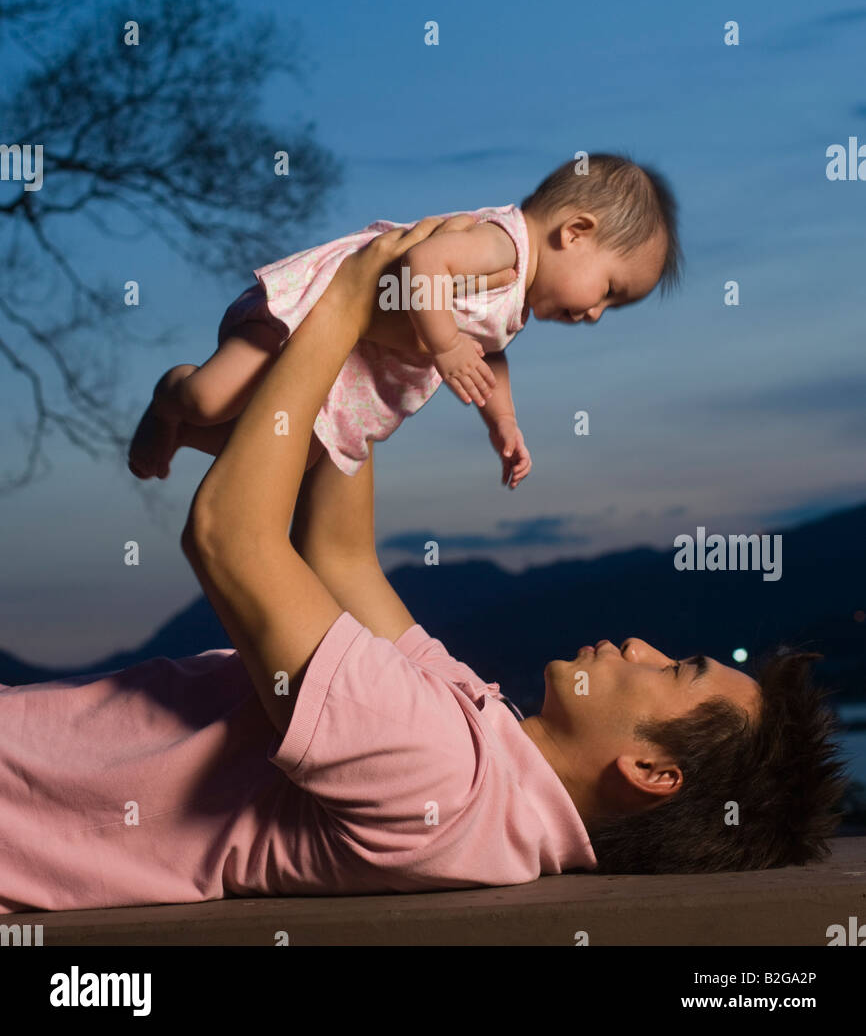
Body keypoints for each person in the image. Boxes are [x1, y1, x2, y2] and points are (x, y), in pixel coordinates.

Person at [0, 217, 846, 914]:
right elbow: (338, 558)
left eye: (679, 670)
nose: (641, 645)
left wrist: (346, 297)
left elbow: (228, 536)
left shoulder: (445, 770)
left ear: (652, 774)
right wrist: (375, 357)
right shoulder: (486, 754)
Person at [128, 153, 681, 490]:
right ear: (576, 232)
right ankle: (171, 395)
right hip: (308, 318)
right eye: (608, 290)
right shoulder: (503, 244)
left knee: (283, 457)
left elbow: (488, 353)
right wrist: (444, 347)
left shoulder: (514, 299)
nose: (594, 315)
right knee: (211, 397)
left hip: (341, 359)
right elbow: (425, 261)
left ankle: (180, 434)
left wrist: (503, 422)